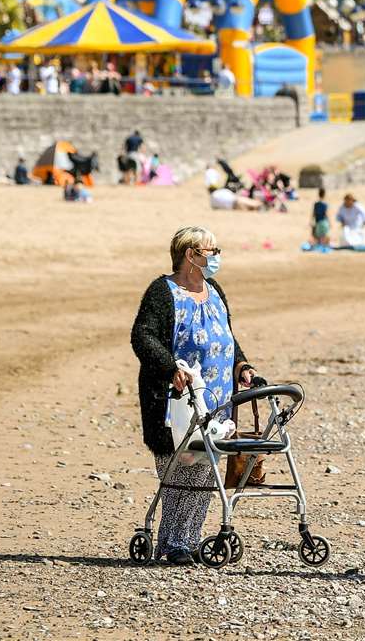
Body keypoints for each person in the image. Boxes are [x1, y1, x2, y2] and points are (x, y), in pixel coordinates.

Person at [129, 227, 261, 566]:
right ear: (191, 255)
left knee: (206, 472)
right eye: (211, 250)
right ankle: (174, 544)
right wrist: (170, 366)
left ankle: (187, 540)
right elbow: (142, 337)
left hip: (217, 401)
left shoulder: (214, 289)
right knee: (179, 469)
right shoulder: (163, 292)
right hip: (174, 400)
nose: (216, 255)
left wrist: (242, 366)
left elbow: (226, 337)